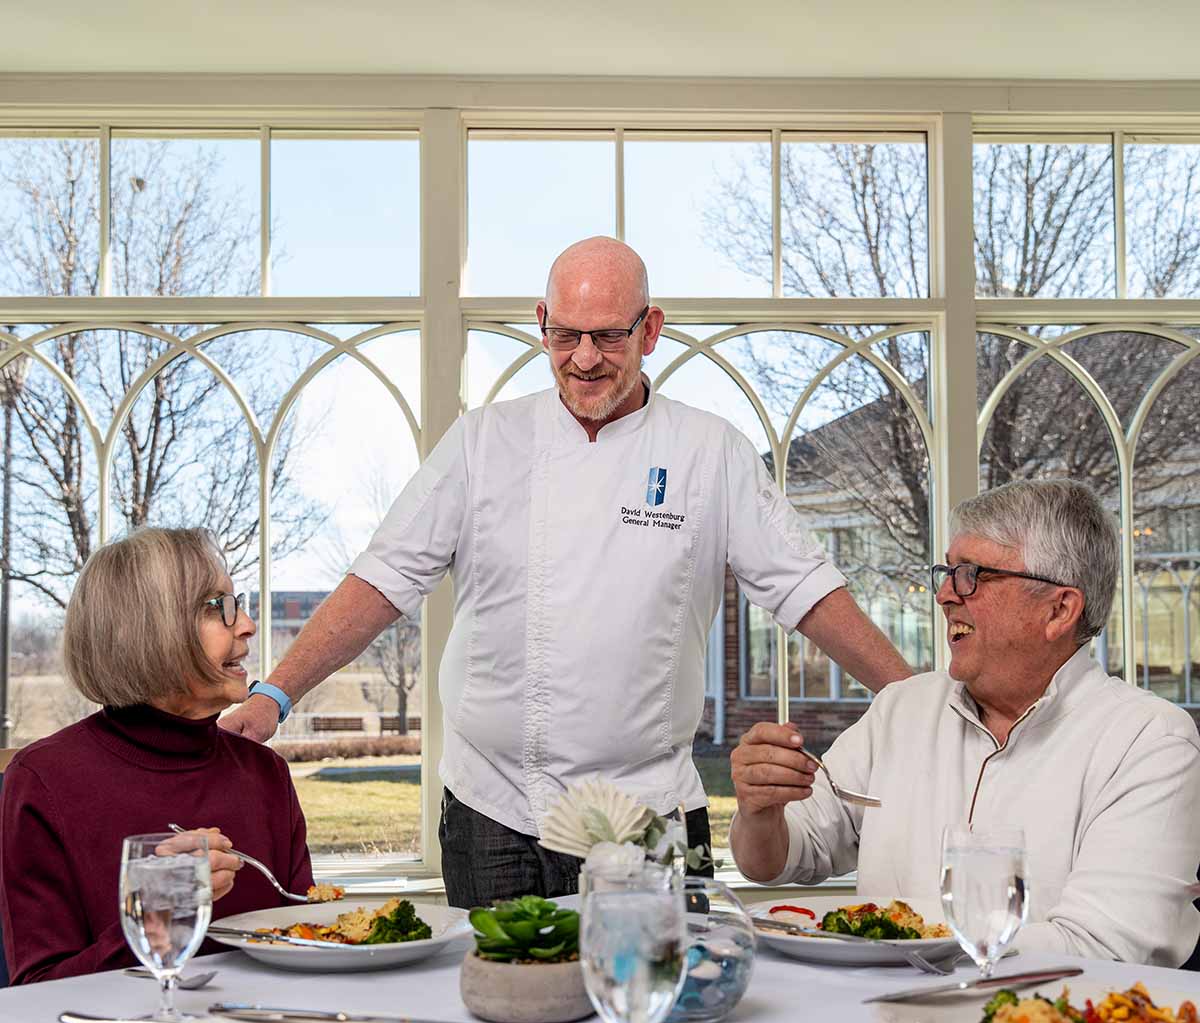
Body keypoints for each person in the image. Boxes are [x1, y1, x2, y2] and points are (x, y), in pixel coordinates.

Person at [223, 236, 912, 907]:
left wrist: (917, 700)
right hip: (491, 808)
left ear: (650, 331)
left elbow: (805, 589)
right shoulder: (481, 442)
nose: (584, 358)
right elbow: (383, 579)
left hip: (649, 812)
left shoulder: (710, 452)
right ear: (541, 323)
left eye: (608, 336)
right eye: (565, 335)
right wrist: (274, 695)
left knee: (662, 982)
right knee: (494, 983)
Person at [730, 479, 1200, 966]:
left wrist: (920, 945)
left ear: (1059, 610)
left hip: (1045, 1013)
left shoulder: (1148, 741)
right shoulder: (902, 708)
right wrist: (760, 812)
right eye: (948, 572)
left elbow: (1106, 949)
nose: (944, 595)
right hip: (869, 1009)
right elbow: (779, 860)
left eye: (971, 575)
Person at [0, 527, 314, 984]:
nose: (247, 624)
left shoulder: (265, 773)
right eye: (220, 607)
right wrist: (153, 918)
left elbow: (312, 940)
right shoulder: (44, 779)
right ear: (149, 630)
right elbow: (37, 992)